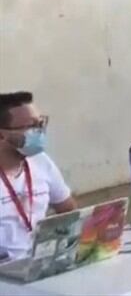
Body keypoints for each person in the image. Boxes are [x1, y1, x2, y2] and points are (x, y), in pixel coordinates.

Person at [0, 92, 76, 260]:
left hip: (40, 261)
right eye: (31, 126)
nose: (39, 131)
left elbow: (68, 210)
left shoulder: (41, 161)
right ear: (2, 134)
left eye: (41, 123)